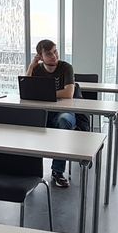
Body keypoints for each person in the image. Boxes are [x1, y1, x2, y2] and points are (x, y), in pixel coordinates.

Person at [26, 39, 78, 188]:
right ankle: (32, 170)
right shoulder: (37, 69)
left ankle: (57, 172)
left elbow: (68, 93)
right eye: (49, 54)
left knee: (63, 121)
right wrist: (31, 66)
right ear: (40, 56)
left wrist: (44, 94)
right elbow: (27, 89)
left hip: (65, 111)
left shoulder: (66, 67)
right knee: (31, 121)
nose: (54, 56)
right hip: (44, 112)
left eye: (55, 51)